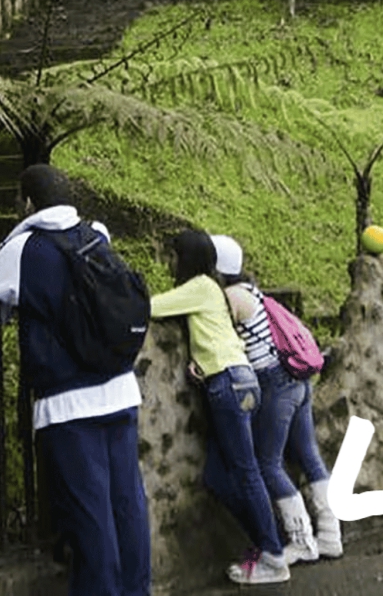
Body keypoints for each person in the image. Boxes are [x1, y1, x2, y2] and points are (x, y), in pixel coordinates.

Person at [0, 164, 150, 596]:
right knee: (128, 507)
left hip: (68, 404)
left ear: (28, 203)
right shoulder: (96, 235)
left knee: (91, 520)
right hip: (121, 390)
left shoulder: (23, 250)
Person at [149, 229, 289, 585]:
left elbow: (151, 307)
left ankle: (274, 556)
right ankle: (269, 540)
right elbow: (216, 336)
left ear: (189, 257)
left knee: (246, 472)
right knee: (217, 475)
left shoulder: (199, 286)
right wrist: (202, 361)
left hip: (229, 383)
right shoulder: (210, 289)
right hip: (235, 378)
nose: (169, 262)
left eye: (173, 255)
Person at [211, 235, 342, 562]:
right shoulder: (253, 290)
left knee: (268, 463)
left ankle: (302, 542)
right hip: (298, 378)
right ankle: (330, 535)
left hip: (273, 382)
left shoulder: (230, 298)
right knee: (308, 455)